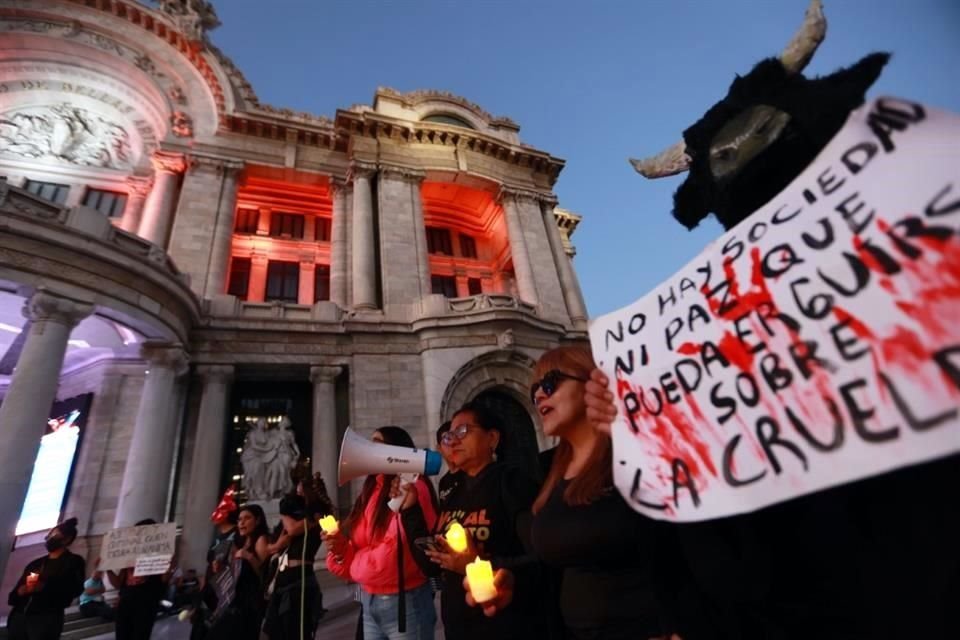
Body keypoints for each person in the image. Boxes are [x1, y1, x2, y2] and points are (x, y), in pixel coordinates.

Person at [471, 345, 677, 639]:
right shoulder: (549, 470)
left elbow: (679, 548)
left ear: (594, 382)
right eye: (534, 391)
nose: (539, 395)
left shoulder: (638, 456)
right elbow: (563, 561)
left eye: (550, 383)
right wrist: (514, 582)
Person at [398, 403, 541, 640]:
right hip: (458, 625)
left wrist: (475, 563)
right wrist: (411, 510)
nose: (453, 441)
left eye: (463, 431)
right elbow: (431, 565)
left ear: (492, 438)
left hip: (507, 625)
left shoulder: (513, 483)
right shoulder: (453, 492)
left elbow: (539, 559)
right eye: (449, 435)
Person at [323, 426, 439, 640]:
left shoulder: (414, 487)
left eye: (378, 442)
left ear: (397, 450)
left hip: (406, 603)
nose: (368, 448)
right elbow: (360, 545)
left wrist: (355, 562)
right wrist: (340, 548)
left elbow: (391, 553)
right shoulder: (371, 491)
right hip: (370, 600)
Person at [7, 517, 86, 640]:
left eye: (54, 535)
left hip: (45, 619)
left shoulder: (73, 562)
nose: (48, 538)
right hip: (20, 616)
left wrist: (45, 587)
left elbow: (75, 589)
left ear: (67, 539)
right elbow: (16, 591)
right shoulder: (36, 564)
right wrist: (19, 592)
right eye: (49, 534)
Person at [262, 494, 323, 640]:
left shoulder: (313, 522)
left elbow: (293, 529)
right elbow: (267, 549)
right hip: (280, 584)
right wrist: (277, 545)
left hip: (299, 584)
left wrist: (286, 515)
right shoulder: (281, 528)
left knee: (296, 630)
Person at [206, 504, 270, 640]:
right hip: (233, 602)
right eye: (240, 519)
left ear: (257, 521)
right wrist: (219, 568)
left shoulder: (261, 540)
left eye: (247, 518)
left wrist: (250, 557)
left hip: (249, 606)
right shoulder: (239, 542)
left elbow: (265, 575)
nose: (242, 522)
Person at [108, 518, 170, 640]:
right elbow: (118, 584)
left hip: (146, 605)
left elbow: (164, 580)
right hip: (125, 605)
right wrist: (107, 568)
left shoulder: (160, 556)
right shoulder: (128, 558)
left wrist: (169, 567)